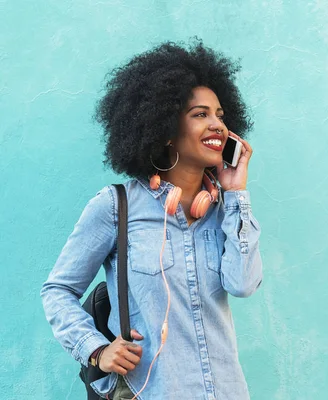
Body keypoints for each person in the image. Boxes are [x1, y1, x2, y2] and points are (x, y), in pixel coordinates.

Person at [41, 39, 263, 400]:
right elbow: (58, 291)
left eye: (221, 116)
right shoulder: (117, 207)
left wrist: (236, 193)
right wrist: (96, 349)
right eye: (200, 114)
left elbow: (243, 285)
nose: (217, 126)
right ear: (165, 127)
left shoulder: (225, 211)